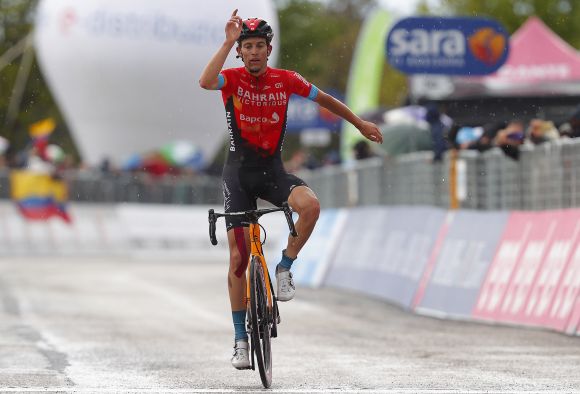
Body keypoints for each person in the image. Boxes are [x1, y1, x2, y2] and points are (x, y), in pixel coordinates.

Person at [199, 10, 383, 370]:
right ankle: (239, 339)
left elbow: (325, 99)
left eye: (259, 46)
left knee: (311, 206)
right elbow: (205, 82)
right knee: (238, 258)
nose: (253, 52)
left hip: (272, 172)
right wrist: (225, 41)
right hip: (237, 176)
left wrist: (358, 123)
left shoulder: (286, 80)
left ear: (269, 49)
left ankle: (284, 267)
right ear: (240, 52)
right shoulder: (232, 79)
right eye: (246, 46)